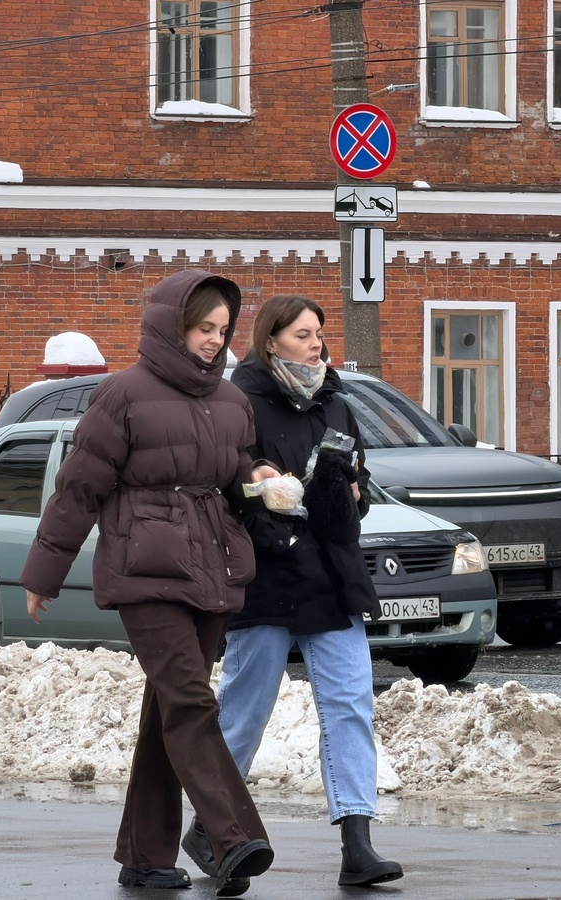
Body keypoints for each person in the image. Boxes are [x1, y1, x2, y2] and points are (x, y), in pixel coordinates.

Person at [20, 270, 277, 897]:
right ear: (172, 326)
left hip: (210, 569)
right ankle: (231, 835)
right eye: (202, 328)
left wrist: (262, 478)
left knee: (169, 708)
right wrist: (44, 573)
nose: (214, 341)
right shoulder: (123, 395)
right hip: (143, 571)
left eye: (221, 330)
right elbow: (80, 488)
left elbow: (236, 476)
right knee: (190, 700)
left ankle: (144, 853)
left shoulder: (231, 402)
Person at [195, 295, 403, 888]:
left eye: (320, 333)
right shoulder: (238, 403)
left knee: (349, 708)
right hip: (266, 575)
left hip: (333, 578)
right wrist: (258, 484)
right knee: (245, 712)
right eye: (303, 334)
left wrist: (350, 494)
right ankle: (211, 825)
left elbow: (352, 487)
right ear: (271, 343)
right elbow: (224, 482)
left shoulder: (338, 404)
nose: (317, 343)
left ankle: (357, 844)